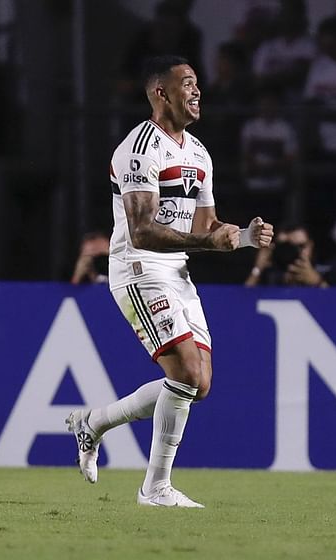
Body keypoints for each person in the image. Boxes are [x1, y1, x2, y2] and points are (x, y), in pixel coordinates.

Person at [65, 55, 274, 508]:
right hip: (139, 269)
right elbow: (142, 230)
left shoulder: (199, 152)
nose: (198, 92)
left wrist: (242, 238)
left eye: (198, 84)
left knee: (198, 384)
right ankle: (155, 487)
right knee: (187, 373)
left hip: (177, 271)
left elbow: (209, 225)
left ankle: (93, 423)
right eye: (188, 84)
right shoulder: (137, 149)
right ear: (161, 93)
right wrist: (213, 242)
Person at [245, 223, 327, 287]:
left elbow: (335, 304)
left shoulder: (327, 273)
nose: (291, 252)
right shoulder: (266, 276)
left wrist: (317, 281)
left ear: (311, 245)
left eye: (300, 246)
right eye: (285, 247)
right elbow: (242, 301)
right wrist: (258, 268)